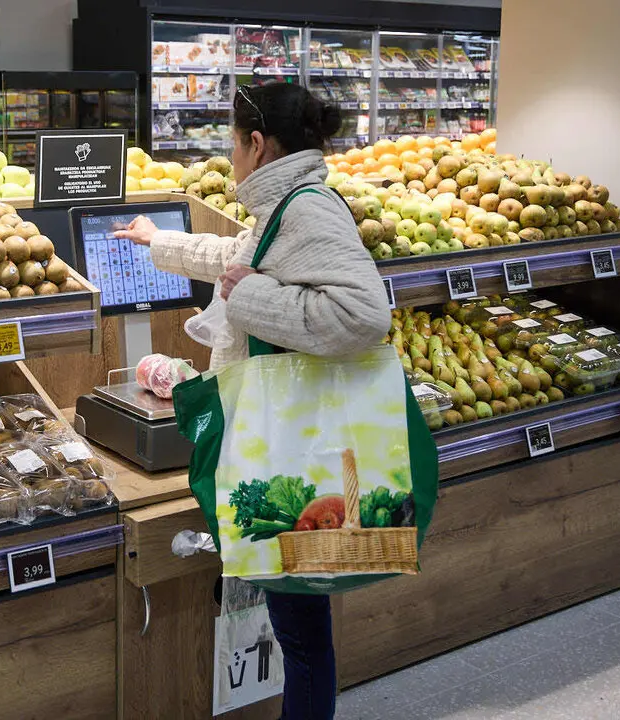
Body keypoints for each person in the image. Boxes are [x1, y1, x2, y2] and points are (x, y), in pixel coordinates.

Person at [115, 83, 391, 719]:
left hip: (294, 447)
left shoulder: (306, 209)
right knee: (299, 618)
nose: (229, 154)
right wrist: (157, 242)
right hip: (292, 437)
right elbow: (241, 256)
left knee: (299, 627)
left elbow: (364, 315)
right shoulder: (285, 204)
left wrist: (249, 298)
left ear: (257, 144)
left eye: (232, 142)